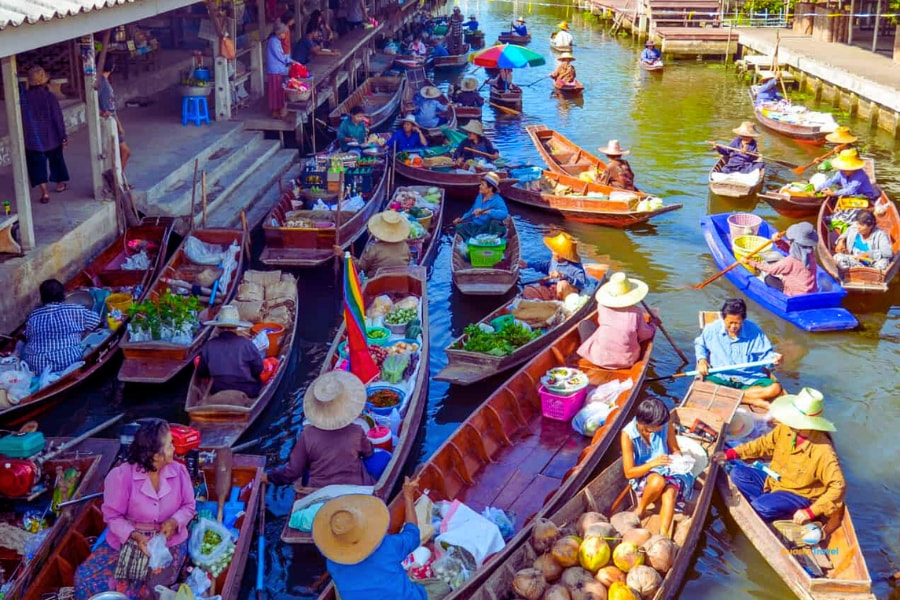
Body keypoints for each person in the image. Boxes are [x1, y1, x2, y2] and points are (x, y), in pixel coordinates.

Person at [74, 419, 197, 599]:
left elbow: (189, 506)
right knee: (85, 579)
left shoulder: (179, 472)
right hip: (130, 539)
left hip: (169, 542)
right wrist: (134, 536)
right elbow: (112, 516)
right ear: (156, 455)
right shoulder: (121, 476)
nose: (174, 447)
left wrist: (174, 522)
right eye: (170, 444)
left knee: (150, 590)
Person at [713, 388, 846, 525]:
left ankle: (779, 513)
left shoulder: (823, 450)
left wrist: (811, 511)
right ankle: (769, 507)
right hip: (775, 481)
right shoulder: (786, 429)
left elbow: (838, 486)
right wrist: (729, 454)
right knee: (738, 473)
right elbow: (762, 445)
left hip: (800, 494)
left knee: (761, 507)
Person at [313, 477, 451, 600]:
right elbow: (413, 534)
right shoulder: (388, 546)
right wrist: (408, 496)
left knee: (342, 585)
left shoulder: (333, 562)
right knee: (442, 587)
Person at [268, 371, 375, 488]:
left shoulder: (307, 435)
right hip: (353, 485)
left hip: (318, 489)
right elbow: (368, 453)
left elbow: (293, 472)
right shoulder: (357, 432)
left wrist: (270, 477)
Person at [694, 298, 783, 409]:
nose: (733, 327)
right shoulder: (712, 329)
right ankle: (751, 400)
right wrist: (702, 360)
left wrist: (774, 359)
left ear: (743, 319)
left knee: (774, 389)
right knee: (705, 387)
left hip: (749, 378)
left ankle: (731, 397)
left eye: (737, 323)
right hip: (721, 376)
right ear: (723, 318)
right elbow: (700, 344)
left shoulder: (754, 330)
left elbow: (766, 355)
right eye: (729, 322)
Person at [620, 398, 682, 538]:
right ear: (644, 424)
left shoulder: (666, 424)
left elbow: (675, 449)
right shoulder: (628, 435)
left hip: (667, 468)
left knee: (670, 493)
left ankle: (663, 536)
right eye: (658, 425)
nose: (662, 427)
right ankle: (641, 509)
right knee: (657, 482)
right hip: (644, 473)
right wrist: (653, 464)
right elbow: (629, 473)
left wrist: (678, 459)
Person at [577, 272, 656, 370]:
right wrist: (653, 325)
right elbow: (645, 335)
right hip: (626, 361)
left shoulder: (602, 306)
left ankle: (591, 350)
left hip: (599, 358)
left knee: (584, 324)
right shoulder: (636, 312)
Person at [22, 279, 100, 374]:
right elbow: (96, 321)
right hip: (69, 361)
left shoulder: (33, 315)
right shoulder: (74, 309)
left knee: (23, 347)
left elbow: (28, 337)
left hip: (37, 365)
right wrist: (82, 331)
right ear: (63, 295)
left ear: (42, 297)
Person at [21, 66, 69, 205]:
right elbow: (57, 118)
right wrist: (63, 136)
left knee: (37, 165)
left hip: (33, 138)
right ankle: (60, 184)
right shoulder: (49, 97)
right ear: (44, 81)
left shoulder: (25, 97)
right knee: (56, 160)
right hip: (51, 136)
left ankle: (45, 193)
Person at [196, 305, 263, 397]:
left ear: (219, 327)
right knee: (259, 382)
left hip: (218, 390)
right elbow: (258, 369)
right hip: (248, 391)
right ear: (236, 327)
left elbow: (202, 372)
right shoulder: (247, 344)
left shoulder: (209, 345)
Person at [745, 222, 819, 296]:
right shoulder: (810, 254)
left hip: (794, 294)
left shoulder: (790, 261)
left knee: (768, 278)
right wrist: (779, 241)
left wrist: (751, 262)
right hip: (811, 293)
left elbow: (771, 269)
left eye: (791, 241)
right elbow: (793, 250)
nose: (789, 242)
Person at [519, 231, 586, 301]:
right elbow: (545, 265)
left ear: (562, 255)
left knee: (562, 284)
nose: (552, 252)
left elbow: (581, 284)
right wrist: (528, 265)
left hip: (564, 292)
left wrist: (563, 276)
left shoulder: (576, 268)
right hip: (550, 289)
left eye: (554, 251)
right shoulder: (554, 260)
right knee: (528, 290)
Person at [453, 172, 509, 240]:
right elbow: (472, 211)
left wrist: (487, 212)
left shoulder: (497, 200)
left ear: (490, 188)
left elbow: (504, 213)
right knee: (459, 226)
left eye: (482, 185)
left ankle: (487, 239)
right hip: (476, 226)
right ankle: (475, 240)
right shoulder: (479, 196)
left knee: (496, 222)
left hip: (488, 228)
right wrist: (462, 219)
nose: (480, 186)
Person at [356, 211, 412, 276]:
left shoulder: (375, 249)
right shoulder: (405, 246)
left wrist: (344, 255)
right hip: (400, 280)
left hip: (377, 283)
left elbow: (360, 267)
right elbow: (408, 262)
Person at [98, 63, 131, 173]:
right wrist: (118, 125)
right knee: (125, 152)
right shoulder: (105, 86)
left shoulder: (100, 82)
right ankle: (118, 178)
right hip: (109, 123)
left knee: (119, 153)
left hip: (108, 121)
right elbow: (110, 110)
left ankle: (118, 177)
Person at [814, 148, 880, 202]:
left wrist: (833, 193)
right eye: (844, 168)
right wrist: (818, 189)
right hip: (852, 195)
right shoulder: (841, 172)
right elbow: (831, 181)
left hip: (864, 196)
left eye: (847, 169)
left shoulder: (860, 174)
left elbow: (851, 190)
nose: (845, 170)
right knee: (834, 189)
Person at [267, 21, 295, 118]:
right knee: (276, 90)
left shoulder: (276, 41)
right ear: (279, 33)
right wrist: (290, 60)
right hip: (275, 70)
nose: (285, 35)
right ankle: (275, 111)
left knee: (278, 90)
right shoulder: (273, 41)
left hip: (278, 69)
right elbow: (279, 55)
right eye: (284, 33)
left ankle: (278, 110)